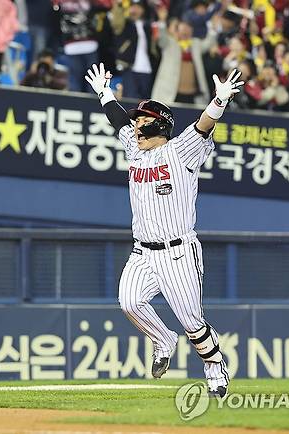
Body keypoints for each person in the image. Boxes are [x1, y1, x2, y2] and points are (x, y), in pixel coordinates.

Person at [85, 62, 243, 398]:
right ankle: (163, 339)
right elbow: (117, 119)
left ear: (158, 124)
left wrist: (220, 101)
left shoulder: (180, 151)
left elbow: (202, 126)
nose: (135, 124)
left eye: (141, 120)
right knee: (129, 302)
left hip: (177, 252)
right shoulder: (134, 149)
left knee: (193, 324)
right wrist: (103, 92)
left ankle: (215, 371)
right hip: (142, 251)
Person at [151, 8, 216, 105]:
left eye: (189, 26)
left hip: (193, 96)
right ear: (178, 27)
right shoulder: (169, 43)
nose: (186, 29)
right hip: (170, 94)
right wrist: (162, 21)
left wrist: (213, 28)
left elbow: (209, 43)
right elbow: (162, 37)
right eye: (183, 25)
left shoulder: (196, 44)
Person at [110, 0, 159, 99]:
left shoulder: (147, 25)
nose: (135, 9)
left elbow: (154, 44)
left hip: (147, 69)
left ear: (143, 10)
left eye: (138, 7)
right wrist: (119, 5)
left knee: (145, 102)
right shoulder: (125, 24)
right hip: (130, 67)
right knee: (130, 101)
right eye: (133, 7)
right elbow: (116, 22)